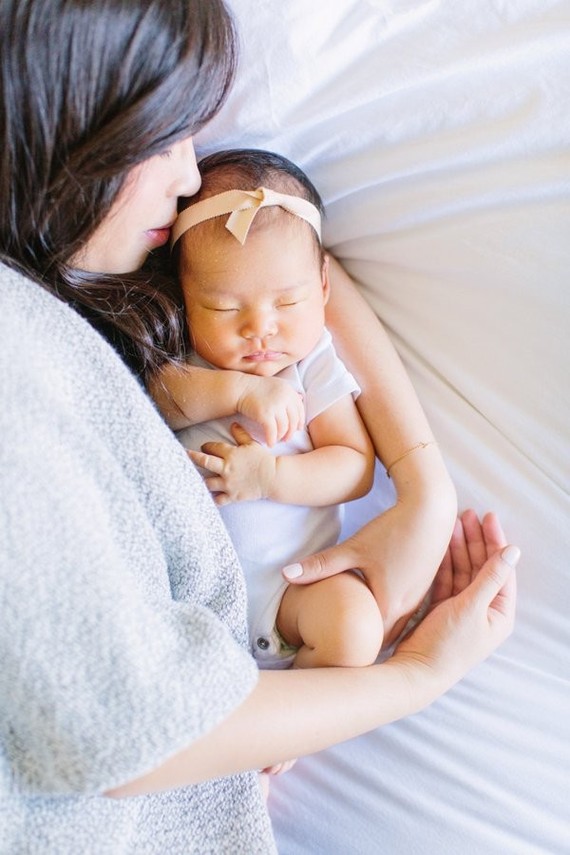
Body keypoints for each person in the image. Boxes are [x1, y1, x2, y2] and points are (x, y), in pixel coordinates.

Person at [0, 1, 518, 853]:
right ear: (67, 118)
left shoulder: (75, 295)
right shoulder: (28, 348)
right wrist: (422, 675)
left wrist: (423, 481)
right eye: (166, 137)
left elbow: (294, 273)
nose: (187, 177)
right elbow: (134, 728)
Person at [165, 148, 383, 671]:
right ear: (184, 299)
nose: (260, 327)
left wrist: (272, 477)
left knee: (353, 624)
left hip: (288, 590)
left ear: (324, 287)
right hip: (182, 588)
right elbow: (156, 400)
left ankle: (293, 703)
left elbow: (354, 466)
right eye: (222, 306)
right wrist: (235, 392)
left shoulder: (312, 364)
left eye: (287, 303)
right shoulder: (183, 356)